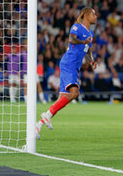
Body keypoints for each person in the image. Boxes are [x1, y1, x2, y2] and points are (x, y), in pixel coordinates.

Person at [36, 7, 97, 139]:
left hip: (74, 66)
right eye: (93, 14)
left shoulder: (90, 33)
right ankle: (46, 115)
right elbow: (71, 39)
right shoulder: (77, 27)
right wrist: (83, 41)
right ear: (86, 15)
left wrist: (91, 61)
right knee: (74, 93)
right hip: (69, 62)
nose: (96, 16)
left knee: (62, 98)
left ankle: (38, 125)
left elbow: (87, 50)